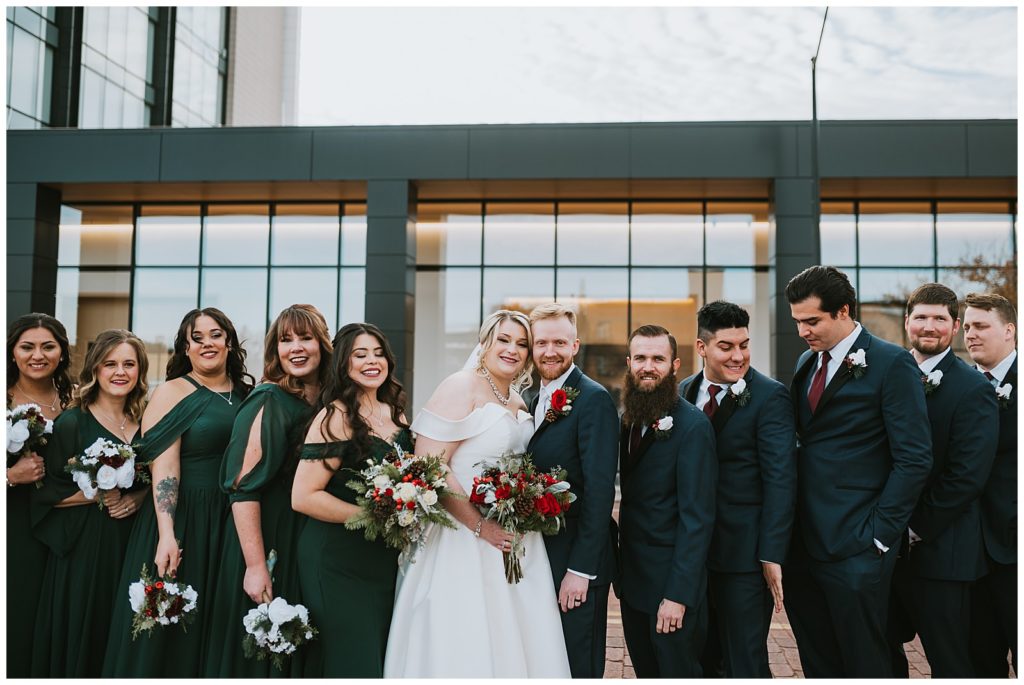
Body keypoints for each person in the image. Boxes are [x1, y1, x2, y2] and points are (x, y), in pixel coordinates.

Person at [383, 310, 572, 678]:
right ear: (485, 342)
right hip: (463, 537)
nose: (512, 350)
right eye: (504, 340)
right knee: (466, 632)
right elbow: (432, 466)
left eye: (522, 344)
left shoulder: (518, 401)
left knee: (519, 633)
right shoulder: (460, 385)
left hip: (517, 540)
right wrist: (479, 525)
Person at [782, 265, 932, 678]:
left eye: (812, 321)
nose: (803, 332)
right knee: (819, 662)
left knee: (869, 662)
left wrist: (881, 537)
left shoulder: (892, 363)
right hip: (804, 547)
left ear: (843, 311)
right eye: (797, 322)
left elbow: (914, 457)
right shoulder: (804, 363)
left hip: (859, 547)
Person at [103, 308, 254, 677]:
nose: (207, 343)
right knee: (170, 626)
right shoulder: (172, 391)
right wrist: (167, 534)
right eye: (196, 337)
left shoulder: (249, 393)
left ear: (229, 342)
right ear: (185, 347)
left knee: (219, 625)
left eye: (215, 335)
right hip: (184, 517)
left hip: (233, 519)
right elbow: (166, 469)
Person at [204, 305, 332, 677]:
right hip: (266, 539)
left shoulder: (325, 402)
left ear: (322, 343)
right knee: (265, 648)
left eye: (305, 338)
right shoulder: (269, 400)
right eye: (285, 340)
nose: (296, 348)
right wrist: (256, 566)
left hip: (303, 538)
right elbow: (242, 488)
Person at [884, 284, 998, 677]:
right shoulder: (886, 375)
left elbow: (966, 476)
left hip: (943, 552)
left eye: (939, 319)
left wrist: (914, 529)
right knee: (884, 654)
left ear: (954, 327)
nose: (928, 327)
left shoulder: (974, 389)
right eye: (921, 318)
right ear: (907, 322)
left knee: (950, 662)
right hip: (884, 552)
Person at [679, 301, 796, 678]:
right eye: (726, 346)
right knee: (702, 653)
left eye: (744, 345)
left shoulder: (770, 396)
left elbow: (781, 478)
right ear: (701, 348)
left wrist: (771, 553)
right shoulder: (683, 392)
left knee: (744, 659)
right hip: (692, 554)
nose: (738, 355)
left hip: (743, 557)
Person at [292, 322, 412, 677]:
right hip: (337, 561)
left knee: (380, 660)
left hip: (384, 560)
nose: (372, 361)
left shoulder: (397, 413)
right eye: (360, 355)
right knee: (353, 663)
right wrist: (370, 516)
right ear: (344, 364)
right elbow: (303, 496)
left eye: (378, 354)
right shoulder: (336, 416)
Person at [30, 329, 150, 676]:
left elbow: (158, 478)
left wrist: (139, 498)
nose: (120, 372)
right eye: (110, 363)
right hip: (85, 549)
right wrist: (95, 492)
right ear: (95, 369)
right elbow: (44, 495)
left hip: (134, 542)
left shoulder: (146, 423)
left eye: (129, 364)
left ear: (140, 370)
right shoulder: (72, 422)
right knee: (89, 630)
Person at [525, 302, 619, 678]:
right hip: (542, 554)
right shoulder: (535, 398)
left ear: (575, 345)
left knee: (579, 664)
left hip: (577, 561)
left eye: (560, 342)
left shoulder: (593, 399)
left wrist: (581, 570)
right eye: (542, 342)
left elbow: (600, 492)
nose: (550, 351)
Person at [618, 324, 717, 677]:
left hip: (670, 588)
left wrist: (677, 596)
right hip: (633, 586)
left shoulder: (692, 427)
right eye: (641, 358)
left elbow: (698, 520)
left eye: (658, 358)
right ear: (629, 363)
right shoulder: (626, 420)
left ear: (675, 365)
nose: (648, 366)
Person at [6, 313, 73, 677]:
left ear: (61, 352)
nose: (38, 355)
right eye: (27, 347)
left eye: (48, 346)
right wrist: (10, 475)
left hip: (65, 529)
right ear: (12, 352)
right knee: (18, 616)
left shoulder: (76, 399)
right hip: (14, 529)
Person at [963, 292, 1017, 676]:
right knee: (981, 665)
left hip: (1017, 552)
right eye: (966, 327)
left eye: (981, 326)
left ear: (1009, 330)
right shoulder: (961, 386)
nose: (970, 335)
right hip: (969, 557)